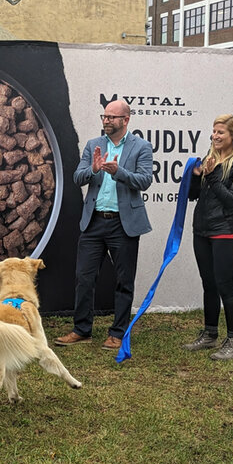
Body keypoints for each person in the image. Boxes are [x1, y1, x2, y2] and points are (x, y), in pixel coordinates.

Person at [55, 99, 153, 351]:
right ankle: (82, 329)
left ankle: (117, 333)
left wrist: (118, 172)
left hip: (124, 224)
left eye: (112, 117)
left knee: (123, 281)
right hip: (94, 222)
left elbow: (144, 181)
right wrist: (94, 169)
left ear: (126, 120)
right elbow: (78, 177)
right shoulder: (93, 145)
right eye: (104, 116)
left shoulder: (141, 146)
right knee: (84, 278)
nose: (106, 120)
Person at [182, 114, 233, 361]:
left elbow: (231, 198)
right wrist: (195, 175)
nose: (215, 136)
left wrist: (211, 175)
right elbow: (194, 195)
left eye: (220, 133)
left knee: (225, 285)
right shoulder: (209, 158)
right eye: (213, 132)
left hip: (226, 230)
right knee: (209, 283)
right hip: (202, 229)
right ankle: (210, 334)